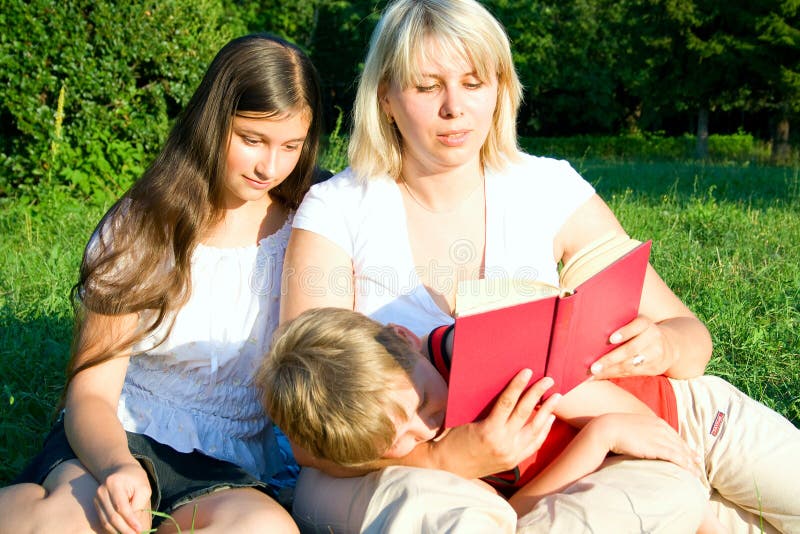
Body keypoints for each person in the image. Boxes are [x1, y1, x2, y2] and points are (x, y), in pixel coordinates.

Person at [279, 0, 776, 532]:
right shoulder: (339, 208)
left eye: (474, 82)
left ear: (500, 89)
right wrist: (447, 458)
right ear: (385, 96)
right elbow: (306, 430)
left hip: (640, 426)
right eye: (427, 87)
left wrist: (665, 344)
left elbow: (692, 339)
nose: (455, 108)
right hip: (440, 478)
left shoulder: (546, 187)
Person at [0, 33, 323, 534]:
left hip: (230, 463)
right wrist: (115, 466)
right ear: (213, 123)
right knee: (63, 521)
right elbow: (90, 393)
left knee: (265, 530)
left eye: (290, 146)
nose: (270, 166)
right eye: (251, 139)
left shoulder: (312, 224)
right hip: (121, 432)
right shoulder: (142, 227)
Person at [261, 307, 800, 534]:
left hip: (696, 420)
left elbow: (629, 418)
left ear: (405, 338)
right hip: (629, 470)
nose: (427, 432)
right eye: (398, 444)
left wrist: (604, 432)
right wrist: (599, 444)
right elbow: (515, 513)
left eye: (424, 403)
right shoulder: (421, 453)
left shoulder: (480, 352)